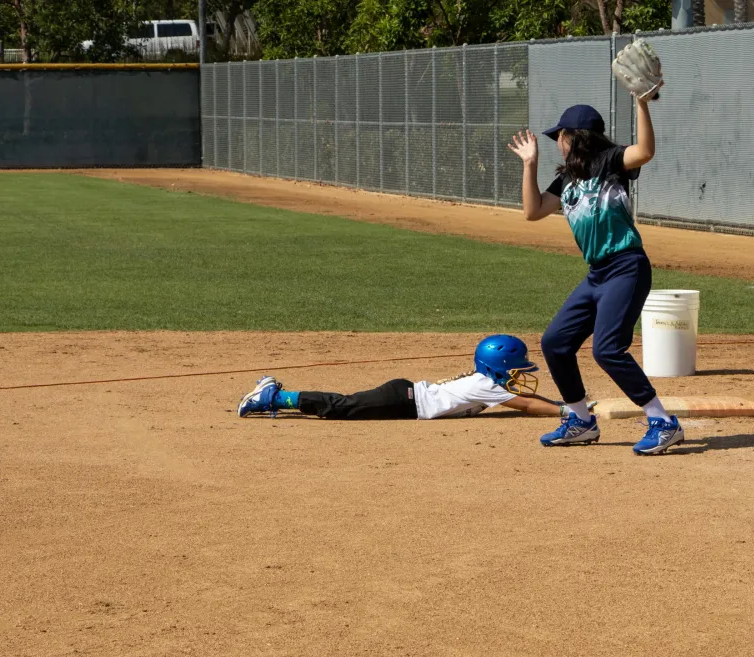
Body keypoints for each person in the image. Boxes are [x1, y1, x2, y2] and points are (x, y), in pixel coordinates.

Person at [506, 90, 685, 456]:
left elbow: (644, 151)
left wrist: (641, 103)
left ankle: (663, 422)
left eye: (560, 136)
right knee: (555, 342)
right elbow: (533, 211)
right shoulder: (567, 180)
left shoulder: (610, 162)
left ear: (576, 137)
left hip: (626, 267)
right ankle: (581, 420)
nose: (557, 143)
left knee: (607, 349)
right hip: (597, 274)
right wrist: (529, 164)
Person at [236, 335, 589, 421]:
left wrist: (564, 403)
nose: (519, 375)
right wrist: (566, 410)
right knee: (340, 407)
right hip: (402, 400)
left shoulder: (489, 383)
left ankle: (276, 396)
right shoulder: (488, 387)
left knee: (344, 406)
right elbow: (526, 405)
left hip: (405, 396)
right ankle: (273, 396)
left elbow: (525, 399)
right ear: (497, 366)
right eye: (515, 368)